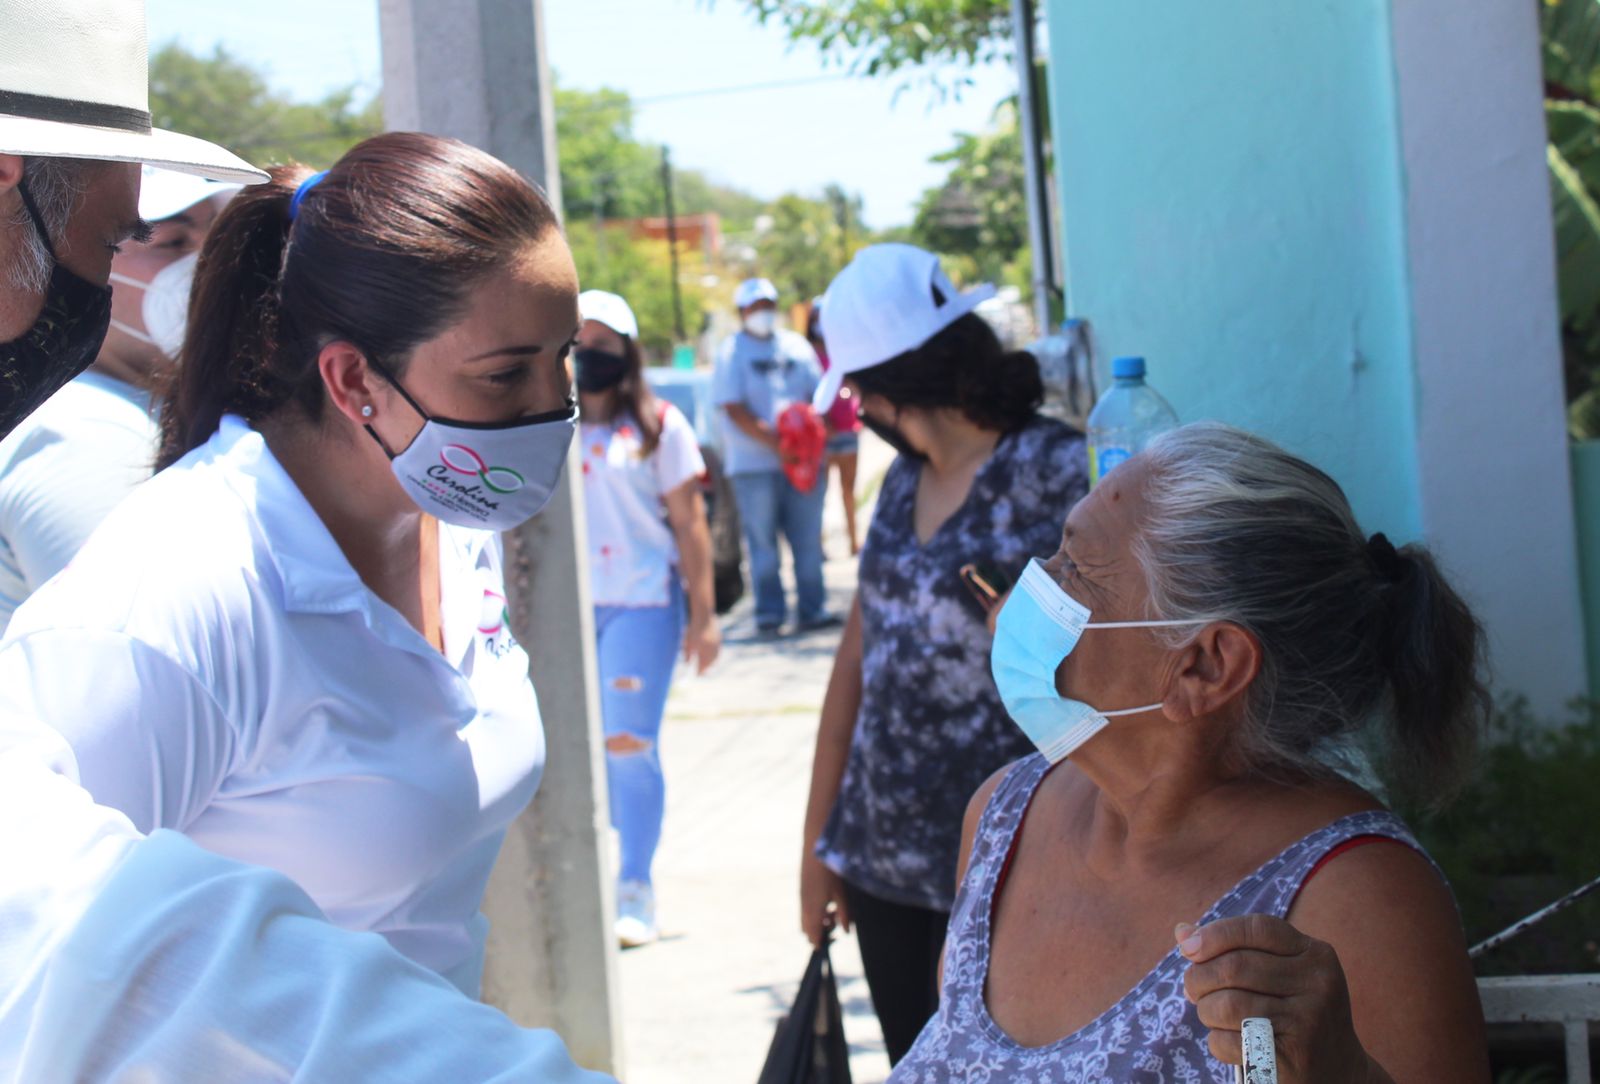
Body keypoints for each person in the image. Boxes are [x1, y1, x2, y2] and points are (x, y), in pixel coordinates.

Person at [0, 11, 609, 1065]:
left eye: (562, 363)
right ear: (353, 379)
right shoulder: (170, 599)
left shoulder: (448, 523)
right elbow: (61, 957)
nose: (550, 413)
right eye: (505, 375)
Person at [890, 423, 1491, 1081]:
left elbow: (1271, 1067)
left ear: (1206, 666)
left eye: (1076, 569)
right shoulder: (1003, 815)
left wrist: (1344, 1075)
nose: (1031, 589)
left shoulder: (1355, 897)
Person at [798, 244, 1089, 1065]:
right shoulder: (898, 483)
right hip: (883, 863)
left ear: (890, 387)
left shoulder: (1062, 473)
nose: (858, 410)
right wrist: (820, 846)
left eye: (855, 392)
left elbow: (1120, 664)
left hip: (1017, 867)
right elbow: (858, 662)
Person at [0, 166, 237, 631]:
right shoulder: (84, 441)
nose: (206, 264)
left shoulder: (124, 412)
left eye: (215, 240)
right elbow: (138, 656)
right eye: (173, 243)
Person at [574, 289, 720, 947]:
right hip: (568, 611)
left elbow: (690, 527)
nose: (586, 357)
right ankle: (592, 878)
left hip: (642, 605)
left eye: (601, 346)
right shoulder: (547, 423)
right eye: (576, 343)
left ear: (627, 353)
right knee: (582, 758)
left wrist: (704, 616)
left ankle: (635, 889)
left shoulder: (661, 426)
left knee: (628, 748)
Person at [712, 276, 835, 635]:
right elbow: (733, 407)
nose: (763, 313)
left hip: (804, 467)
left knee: (808, 539)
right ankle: (769, 614)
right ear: (741, 312)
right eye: (755, 307)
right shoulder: (730, 351)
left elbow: (820, 398)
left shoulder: (796, 346)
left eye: (768, 305)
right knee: (762, 543)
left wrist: (808, 441)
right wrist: (778, 444)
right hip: (754, 467)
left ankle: (813, 609)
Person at [807, 296, 861, 556]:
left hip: (848, 430)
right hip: (823, 436)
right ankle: (819, 545)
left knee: (849, 490)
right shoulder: (807, 354)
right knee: (821, 494)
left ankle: (854, 541)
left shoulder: (846, 349)